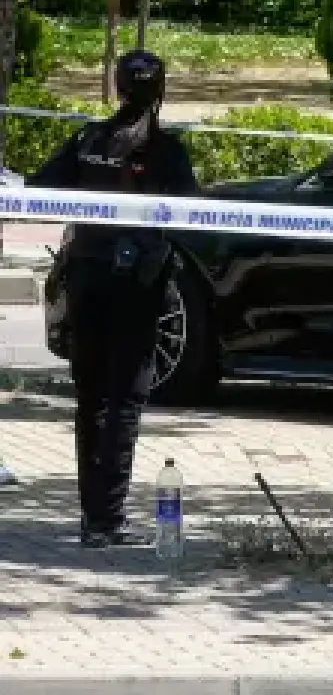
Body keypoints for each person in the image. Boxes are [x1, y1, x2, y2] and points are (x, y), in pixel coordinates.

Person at [28, 50, 198, 547]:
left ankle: (93, 518)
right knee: (124, 401)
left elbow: (39, 189)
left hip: (85, 281)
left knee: (91, 400)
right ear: (161, 92)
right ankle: (108, 518)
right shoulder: (167, 150)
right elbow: (192, 214)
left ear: (117, 87)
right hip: (138, 289)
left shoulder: (87, 140)